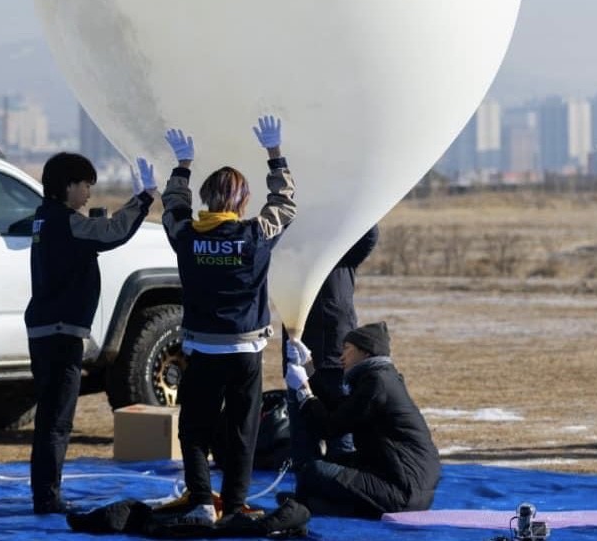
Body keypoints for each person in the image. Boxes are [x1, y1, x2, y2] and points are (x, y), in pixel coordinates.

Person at [160, 115, 296, 527]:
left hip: (202, 349)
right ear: (241, 200)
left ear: (207, 198)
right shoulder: (256, 235)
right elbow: (285, 205)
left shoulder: (186, 235)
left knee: (194, 430)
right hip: (246, 351)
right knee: (242, 433)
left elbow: (172, 206)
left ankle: (202, 500)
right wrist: (275, 155)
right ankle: (235, 506)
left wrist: (182, 165)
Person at [25, 151, 157, 515]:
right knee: (57, 420)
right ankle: (48, 498)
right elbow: (112, 233)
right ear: (68, 185)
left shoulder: (44, 217)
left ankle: (45, 492)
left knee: (49, 416)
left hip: (43, 328)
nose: (88, 194)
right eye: (85, 186)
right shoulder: (66, 221)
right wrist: (144, 199)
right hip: (60, 332)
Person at [284, 320, 440, 518]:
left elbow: (329, 427)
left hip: (402, 491)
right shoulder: (379, 378)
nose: (341, 357)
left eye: (347, 349)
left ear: (365, 352)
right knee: (330, 463)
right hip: (404, 482)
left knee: (313, 471)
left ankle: (313, 506)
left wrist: (304, 393)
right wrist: (309, 369)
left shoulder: (377, 384)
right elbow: (341, 409)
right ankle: (315, 505)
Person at [283, 226, 379, 464]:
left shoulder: (343, 252)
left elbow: (368, 233)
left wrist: (349, 201)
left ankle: (339, 493)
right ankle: (306, 493)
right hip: (301, 361)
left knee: (342, 439)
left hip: (339, 359)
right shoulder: (291, 256)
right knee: (303, 438)